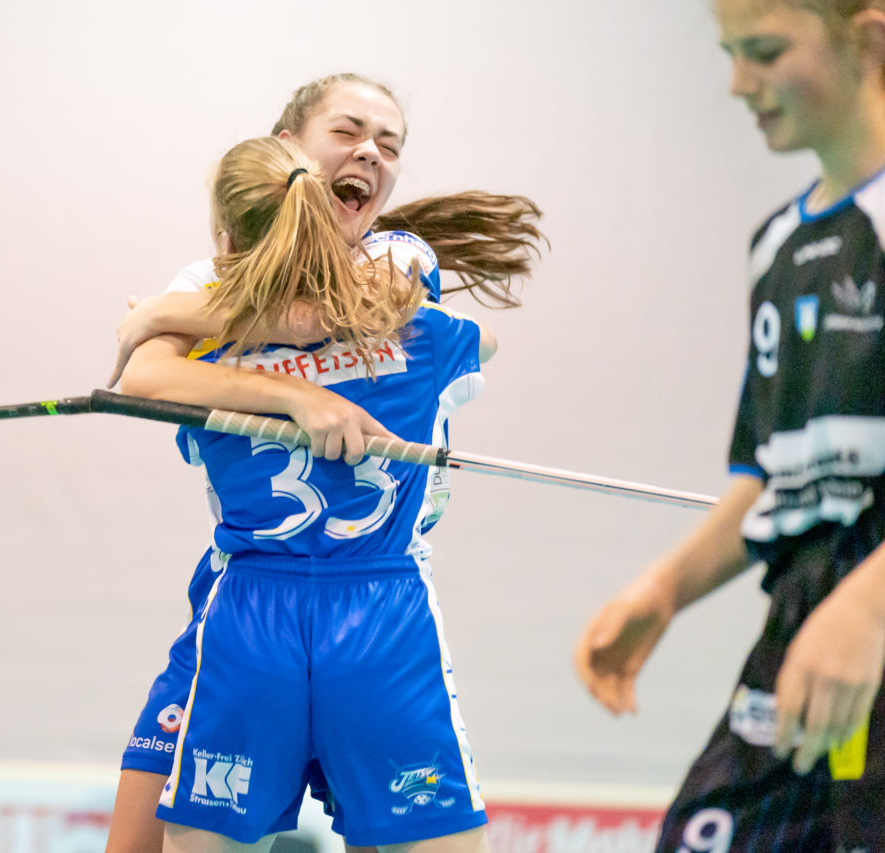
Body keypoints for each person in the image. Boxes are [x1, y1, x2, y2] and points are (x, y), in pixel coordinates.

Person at [104, 74, 542, 853]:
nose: (371, 152)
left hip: (344, 600)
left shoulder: (396, 256)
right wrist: (292, 400)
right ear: (287, 146)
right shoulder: (208, 280)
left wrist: (166, 314)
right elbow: (143, 379)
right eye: (349, 131)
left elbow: (327, 312)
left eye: (391, 144)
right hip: (242, 596)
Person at [573, 1, 885, 848]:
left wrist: (870, 610)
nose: (740, 84)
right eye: (731, 55)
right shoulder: (775, 244)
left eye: (766, 52)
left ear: (867, 34)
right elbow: (769, 476)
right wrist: (664, 589)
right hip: (805, 611)